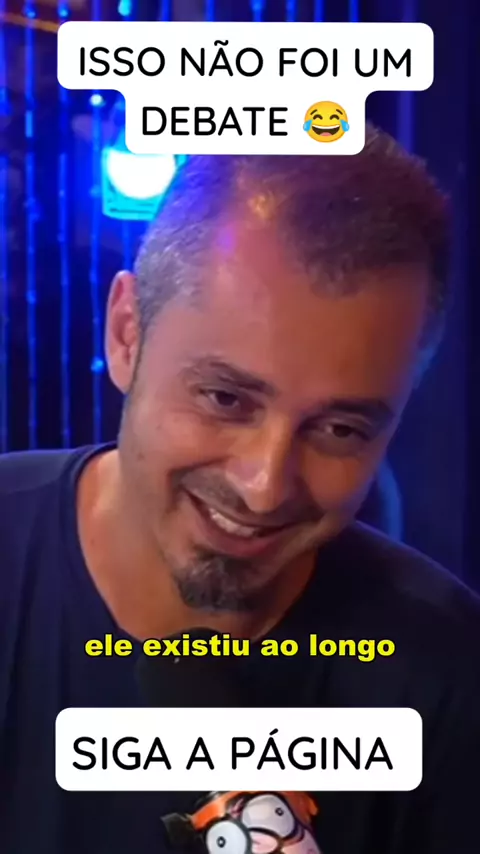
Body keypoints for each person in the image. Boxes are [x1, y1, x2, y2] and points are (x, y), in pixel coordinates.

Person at [1, 125, 479, 854]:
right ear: (127, 333)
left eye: (340, 429)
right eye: (226, 398)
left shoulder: (449, 676)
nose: (263, 487)